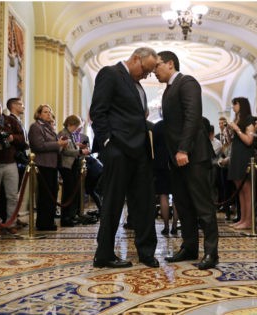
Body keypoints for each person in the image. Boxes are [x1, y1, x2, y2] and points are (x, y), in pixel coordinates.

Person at [89, 47, 159, 269]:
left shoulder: (137, 85)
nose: (146, 75)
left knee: (145, 203)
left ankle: (147, 252)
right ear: (136, 59)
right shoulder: (110, 73)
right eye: (145, 70)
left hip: (140, 152)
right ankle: (104, 254)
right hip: (118, 149)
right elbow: (98, 111)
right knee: (113, 202)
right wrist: (108, 143)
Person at [154, 50, 219, 270]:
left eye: (157, 66)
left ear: (170, 64)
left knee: (203, 205)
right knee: (183, 204)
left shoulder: (187, 82)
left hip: (193, 155)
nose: (154, 71)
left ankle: (211, 252)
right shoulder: (168, 90)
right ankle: (189, 247)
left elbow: (193, 116)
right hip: (177, 159)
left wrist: (183, 149)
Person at [0, 95, 25, 236]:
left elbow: (22, 139)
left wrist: (12, 137)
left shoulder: (10, 121)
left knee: (12, 196)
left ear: (2, 107)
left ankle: (11, 223)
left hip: (10, 163)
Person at [28, 104, 68, 231]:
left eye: (50, 112)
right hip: (43, 164)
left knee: (52, 193)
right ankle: (43, 223)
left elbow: (54, 146)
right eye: (45, 112)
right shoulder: (36, 127)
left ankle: (49, 221)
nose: (48, 114)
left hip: (52, 164)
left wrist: (61, 145)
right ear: (39, 114)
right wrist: (57, 144)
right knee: (45, 195)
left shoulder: (49, 127)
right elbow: (38, 146)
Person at [228, 97, 257, 230]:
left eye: (235, 104)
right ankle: (242, 219)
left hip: (244, 156)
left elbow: (249, 140)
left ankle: (248, 221)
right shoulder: (237, 120)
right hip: (236, 155)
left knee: (246, 189)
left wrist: (237, 129)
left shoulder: (249, 119)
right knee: (239, 189)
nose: (233, 107)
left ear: (242, 105)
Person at [58, 115, 90, 227]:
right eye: (76, 126)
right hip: (66, 166)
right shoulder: (63, 134)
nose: (77, 129)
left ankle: (71, 215)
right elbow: (66, 151)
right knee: (68, 193)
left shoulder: (70, 134)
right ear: (71, 124)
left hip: (72, 166)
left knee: (73, 192)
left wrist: (77, 147)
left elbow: (71, 148)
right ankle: (65, 218)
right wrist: (81, 152)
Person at [152, 119, 179, 235]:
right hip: (176, 163)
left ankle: (166, 227)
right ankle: (174, 226)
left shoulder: (157, 126)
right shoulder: (177, 125)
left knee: (163, 196)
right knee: (177, 197)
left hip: (160, 164)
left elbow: (153, 147)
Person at [7, 97, 30, 228]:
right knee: (12, 192)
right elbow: (16, 139)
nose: (23, 107)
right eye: (21, 104)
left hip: (21, 158)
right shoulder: (9, 120)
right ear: (13, 106)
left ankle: (15, 217)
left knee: (16, 192)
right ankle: (11, 219)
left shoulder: (18, 120)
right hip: (15, 158)